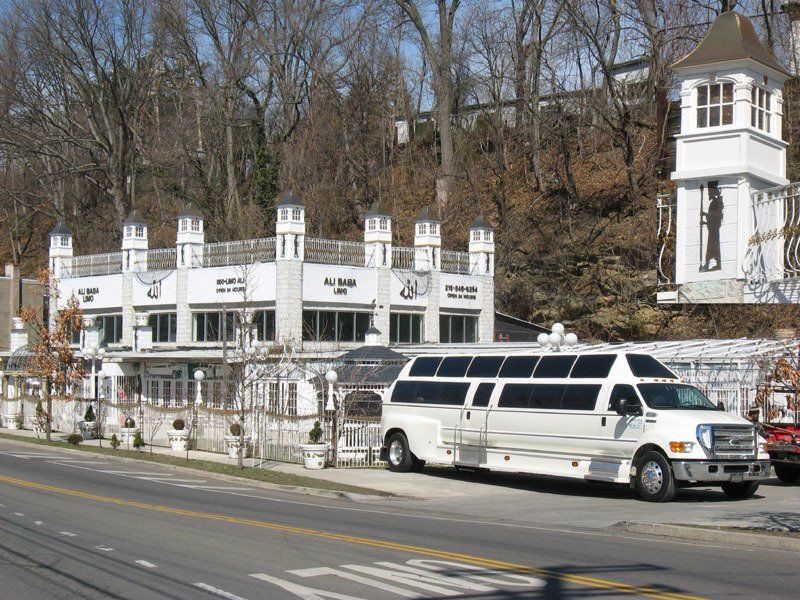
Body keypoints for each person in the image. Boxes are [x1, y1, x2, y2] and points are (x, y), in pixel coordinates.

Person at [702, 183, 723, 271]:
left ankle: (711, 265)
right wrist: (705, 222)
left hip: (714, 230)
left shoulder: (718, 202)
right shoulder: (714, 202)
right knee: (711, 245)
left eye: (709, 193)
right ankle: (707, 265)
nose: (708, 195)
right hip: (712, 229)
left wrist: (705, 214)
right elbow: (713, 218)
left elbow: (717, 216)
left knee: (713, 246)